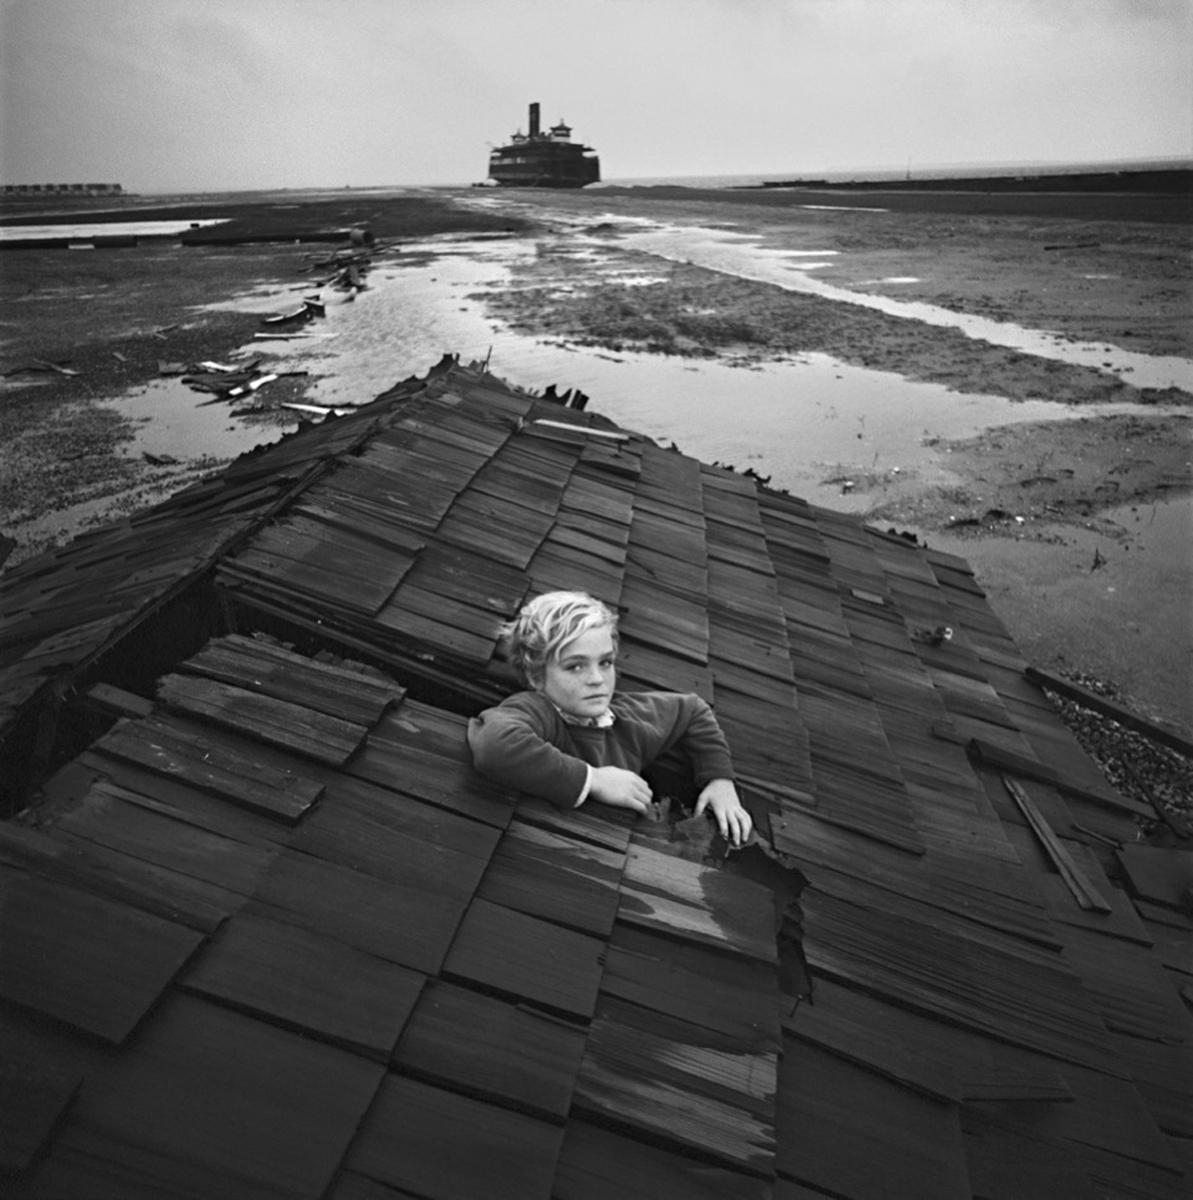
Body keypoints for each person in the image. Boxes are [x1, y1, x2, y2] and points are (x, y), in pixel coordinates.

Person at [468, 590, 753, 847]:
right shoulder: (538, 711)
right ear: (535, 675)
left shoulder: (628, 720)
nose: (597, 680)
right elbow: (494, 744)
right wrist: (594, 780)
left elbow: (694, 710)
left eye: (605, 662)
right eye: (575, 666)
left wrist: (719, 780)